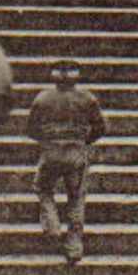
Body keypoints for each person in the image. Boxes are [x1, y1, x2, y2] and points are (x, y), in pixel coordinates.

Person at [25, 60, 106, 264]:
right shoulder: (87, 98)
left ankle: (52, 225)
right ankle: (73, 246)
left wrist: (48, 139)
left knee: (43, 188)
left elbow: (31, 130)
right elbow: (100, 128)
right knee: (76, 198)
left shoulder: (42, 99)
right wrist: (82, 140)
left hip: (51, 152)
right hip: (76, 154)